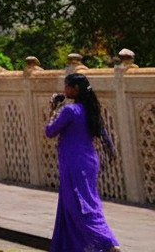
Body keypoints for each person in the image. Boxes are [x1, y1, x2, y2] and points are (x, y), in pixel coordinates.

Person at [46, 73, 122, 252]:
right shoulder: (91, 110)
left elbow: (50, 131)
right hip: (89, 162)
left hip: (73, 163)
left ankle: (108, 242)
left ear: (75, 89)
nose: (64, 90)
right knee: (84, 202)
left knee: (79, 206)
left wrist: (53, 109)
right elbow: (104, 135)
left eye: (67, 86)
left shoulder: (69, 111)